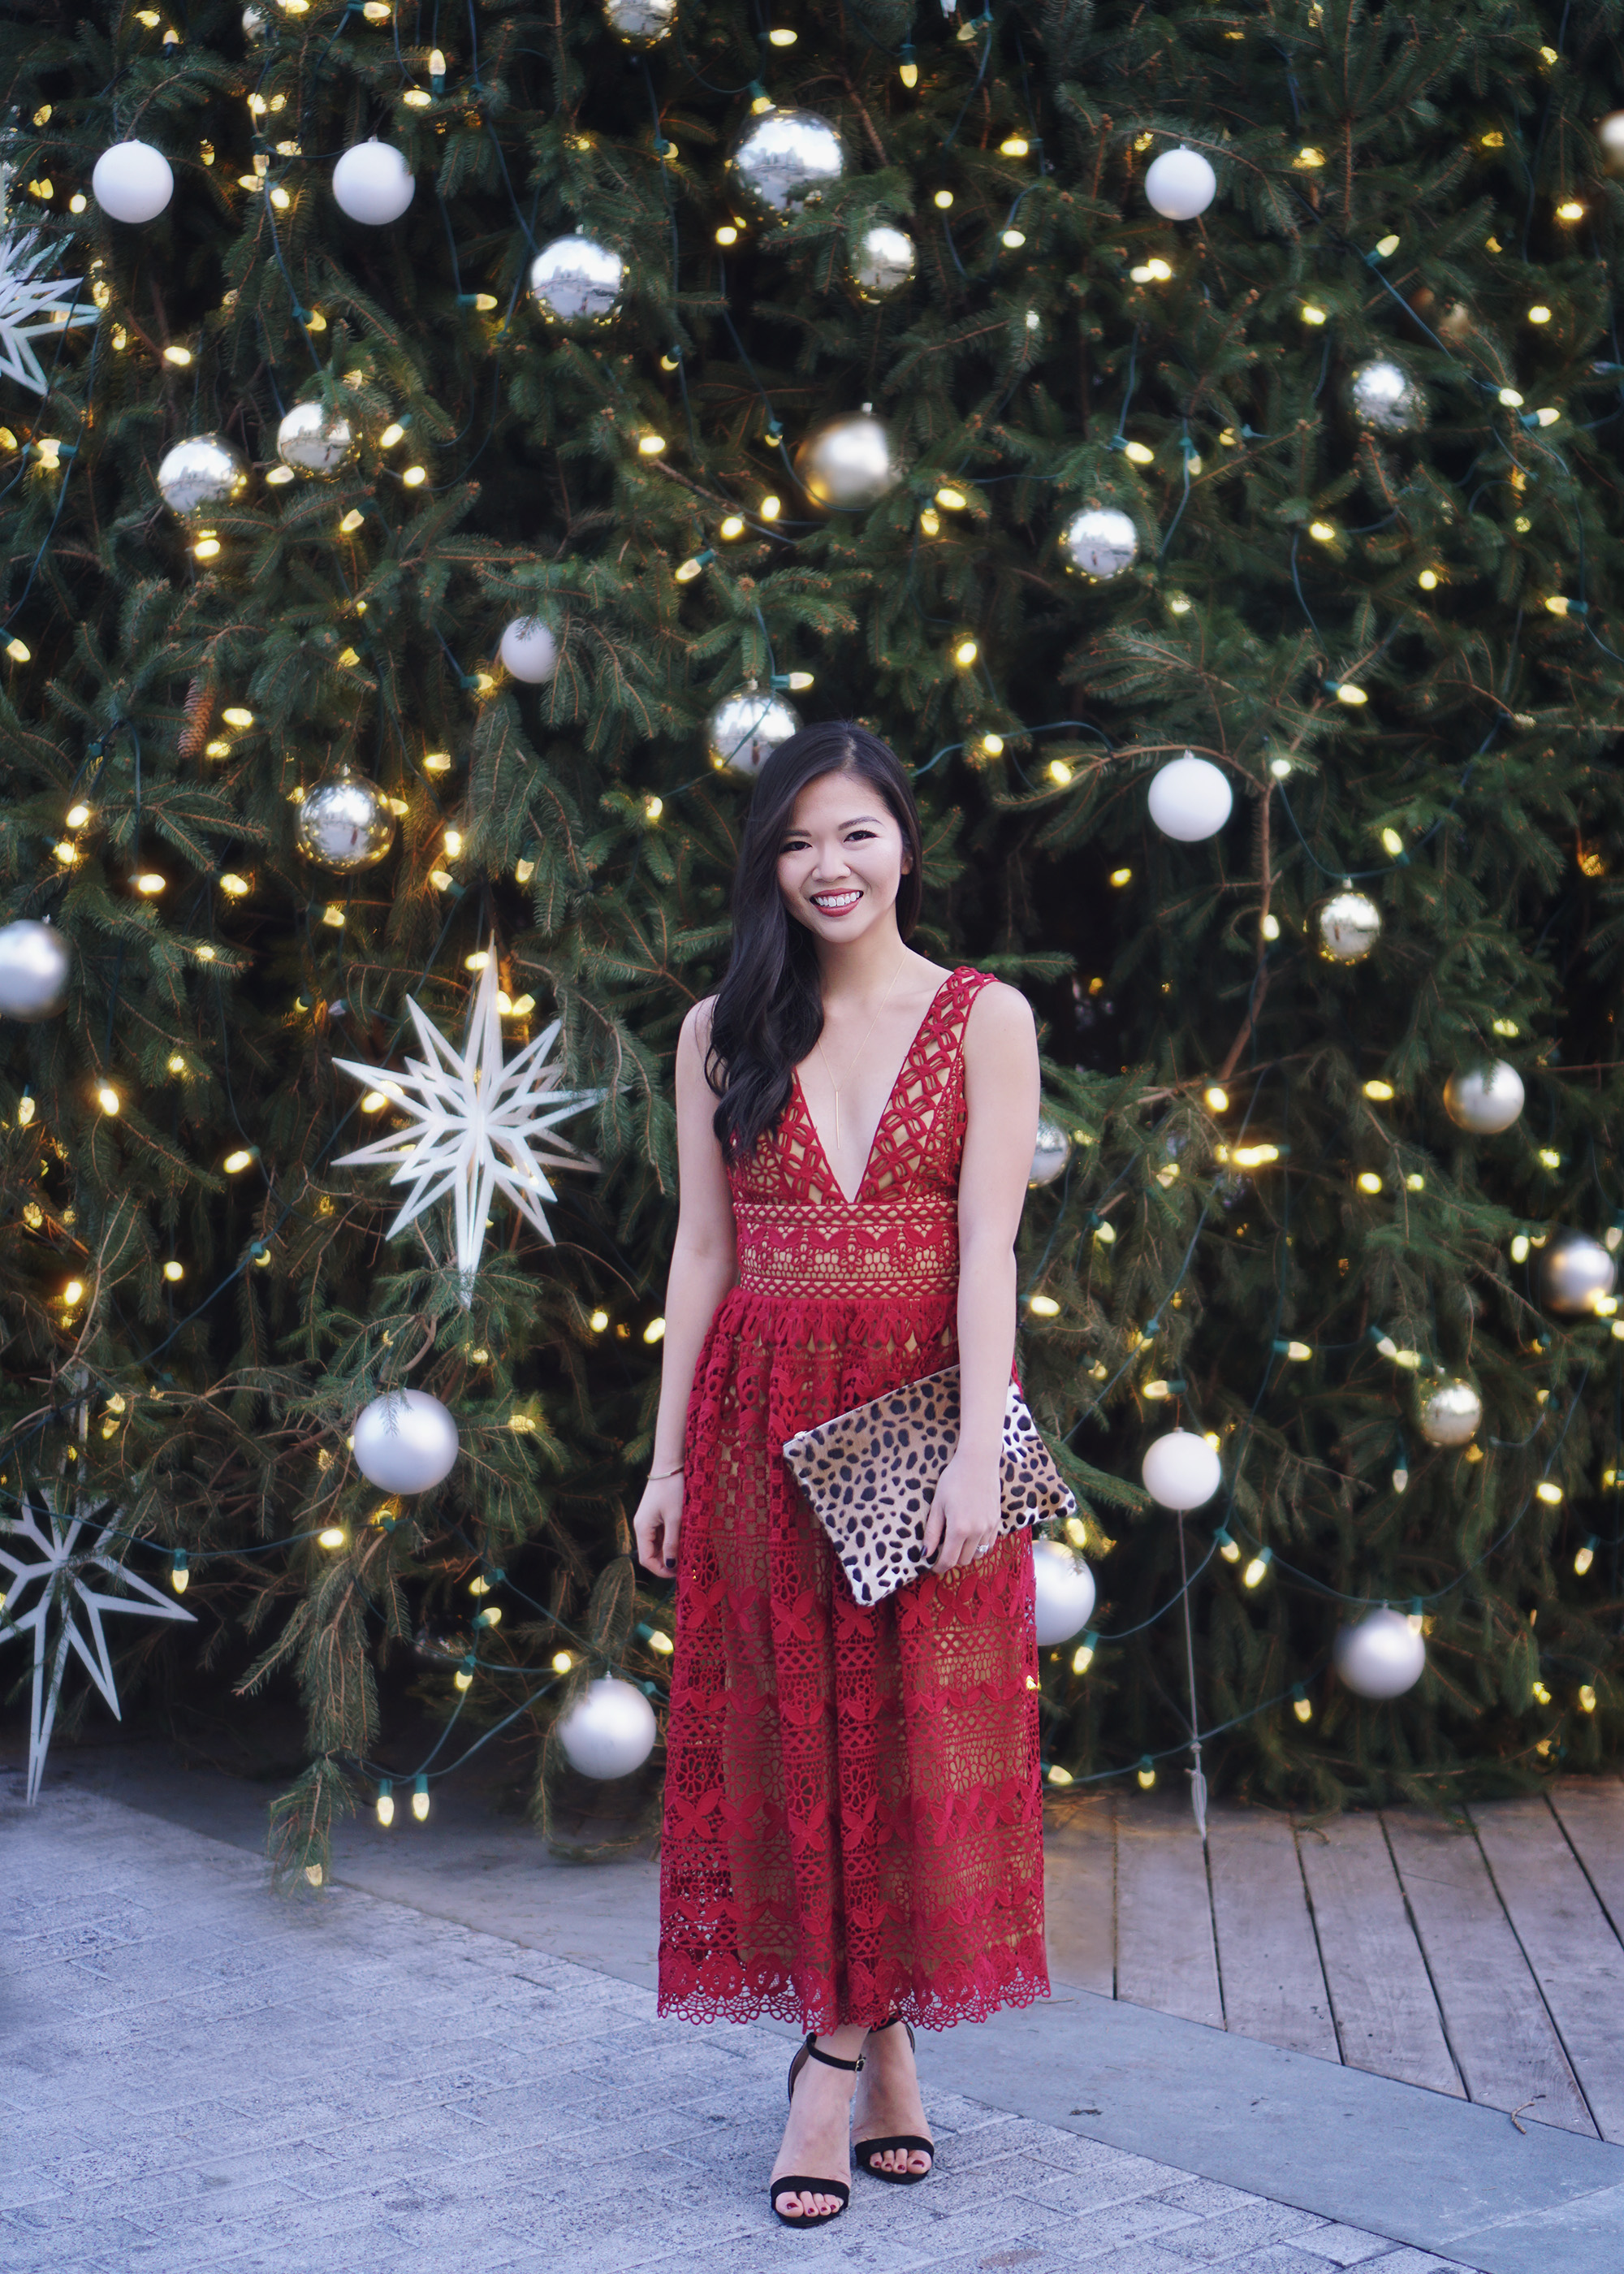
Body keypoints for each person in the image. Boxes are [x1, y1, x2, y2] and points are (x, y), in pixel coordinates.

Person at [633, 720, 1048, 2229]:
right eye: (799, 840)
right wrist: (669, 1456)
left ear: (906, 848)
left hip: (917, 1415)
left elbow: (989, 1250)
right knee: (802, 1738)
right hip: (757, 1421)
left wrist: (972, 1454)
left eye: (856, 834)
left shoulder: (985, 1018)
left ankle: (826, 2063)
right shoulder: (720, 1030)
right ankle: (886, 2069)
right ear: (770, 862)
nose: (829, 866)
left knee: (911, 1741)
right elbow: (701, 1250)